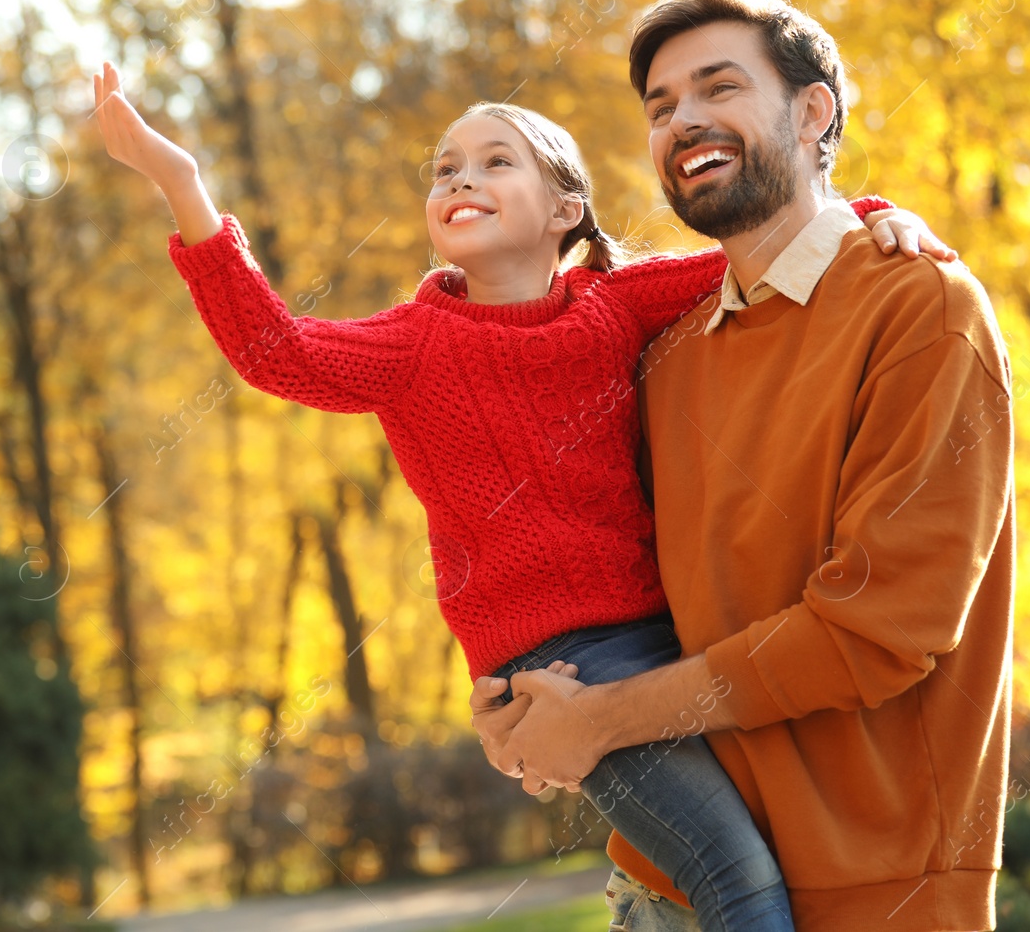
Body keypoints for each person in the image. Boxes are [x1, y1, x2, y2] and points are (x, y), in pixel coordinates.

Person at [90, 59, 952, 931]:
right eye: (445, 168)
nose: (461, 176)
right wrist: (182, 181)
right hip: (561, 666)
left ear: (565, 211)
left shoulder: (609, 305)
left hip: (675, 638)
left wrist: (883, 218)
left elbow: (762, 253)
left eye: (496, 161)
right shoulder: (412, 346)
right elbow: (274, 350)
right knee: (738, 879)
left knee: (733, 868)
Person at [471, 0, 1016, 932]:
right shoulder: (665, 346)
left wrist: (600, 722)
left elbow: (876, 632)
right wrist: (524, 696)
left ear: (814, 112)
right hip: (666, 887)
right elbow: (586, 558)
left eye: (719, 88)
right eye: (661, 105)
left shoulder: (921, 309)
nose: (684, 119)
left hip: (870, 900)